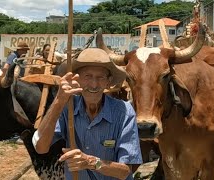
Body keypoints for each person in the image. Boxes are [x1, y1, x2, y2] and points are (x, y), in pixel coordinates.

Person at [32, 48, 142, 179]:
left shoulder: (124, 112)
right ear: (77, 79)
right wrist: (58, 101)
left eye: (100, 77)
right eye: (87, 76)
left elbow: (125, 171)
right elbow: (41, 148)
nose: (94, 84)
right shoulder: (67, 107)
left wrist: (92, 162)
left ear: (108, 81)